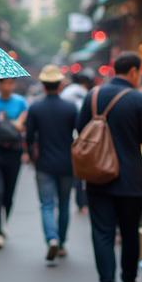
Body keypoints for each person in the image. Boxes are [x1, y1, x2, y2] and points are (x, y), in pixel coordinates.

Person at [76, 52, 142, 282]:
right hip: (130, 179)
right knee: (129, 232)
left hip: (99, 178)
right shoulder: (139, 99)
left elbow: (80, 130)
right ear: (133, 71)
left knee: (103, 234)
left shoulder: (94, 96)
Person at [25, 65, 77, 264]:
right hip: (67, 163)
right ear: (60, 84)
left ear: (43, 85)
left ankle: (51, 238)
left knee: (47, 204)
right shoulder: (70, 107)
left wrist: (32, 156)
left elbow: (29, 138)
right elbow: (79, 133)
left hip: (44, 164)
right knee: (64, 204)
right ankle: (62, 243)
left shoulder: (36, 108)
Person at [0, 78, 28, 248]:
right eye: (5, 83)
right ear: (0, 84)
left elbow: (24, 127)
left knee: (8, 194)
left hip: (14, 152)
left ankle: (3, 223)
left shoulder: (21, 102)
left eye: (11, 83)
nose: (8, 87)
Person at [61, 72, 91, 213]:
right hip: (82, 136)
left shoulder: (66, 93)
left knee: (76, 172)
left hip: (69, 137)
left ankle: (80, 202)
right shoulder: (85, 93)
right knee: (84, 171)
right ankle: (83, 202)